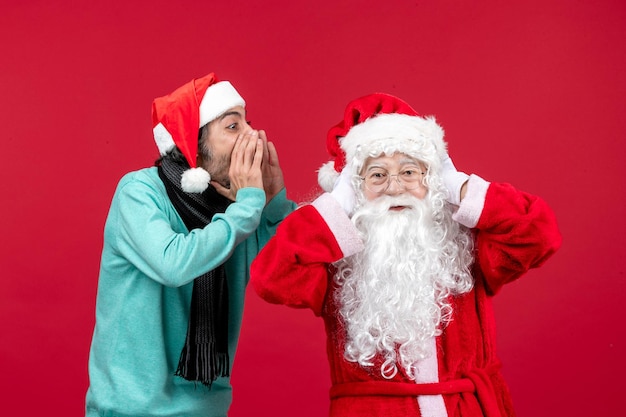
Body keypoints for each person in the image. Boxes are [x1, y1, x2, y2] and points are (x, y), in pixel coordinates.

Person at [250, 93, 561, 417]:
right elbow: (271, 278)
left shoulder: (464, 245)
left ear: (433, 179)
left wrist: (458, 185)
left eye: (410, 172)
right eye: (377, 175)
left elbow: (539, 234)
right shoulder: (334, 255)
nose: (395, 187)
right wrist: (338, 204)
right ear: (354, 187)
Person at [85, 72, 296, 417]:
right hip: (129, 409)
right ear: (195, 144)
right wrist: (247, 208)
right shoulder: (139, 191)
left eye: (248, 124)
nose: (253, 136)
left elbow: (284, 274)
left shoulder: (237, 209)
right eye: (233, 127)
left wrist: (272, 203)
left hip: (206, 409)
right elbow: (173, 263)